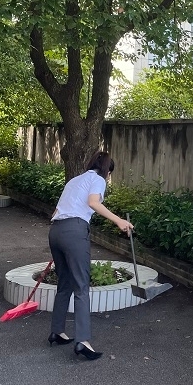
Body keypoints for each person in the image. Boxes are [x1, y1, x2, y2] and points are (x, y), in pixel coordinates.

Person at [47, 150, 133, 361]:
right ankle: (82, 341)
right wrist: (119, 220)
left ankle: (57, 331)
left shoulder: (74, 180)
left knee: (65, 282)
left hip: (56, 231)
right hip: (75, 231)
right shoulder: (98, 179)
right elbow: (94, 202)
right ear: (107, 170)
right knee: (81, 286)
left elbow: (56, 212)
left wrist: (63, 239)